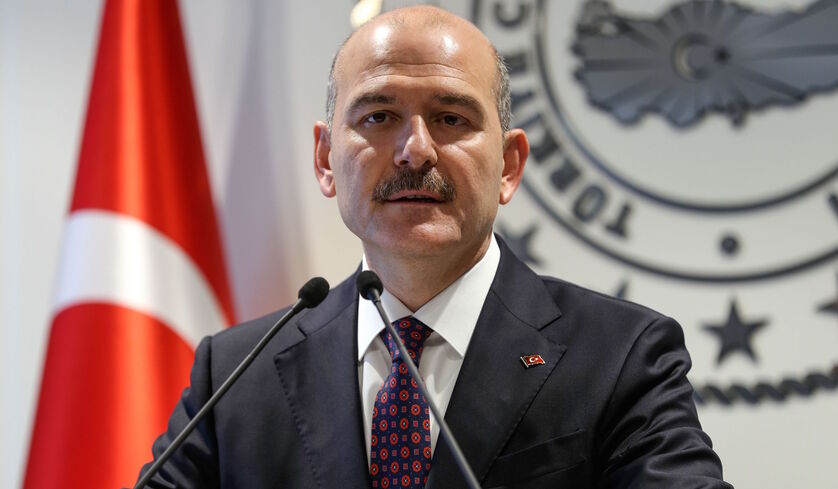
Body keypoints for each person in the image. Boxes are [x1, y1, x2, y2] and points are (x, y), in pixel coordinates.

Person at [139, 6, 731, 488]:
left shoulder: (622, 356)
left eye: (451, 118)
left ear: (509, 164)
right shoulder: (237, 371)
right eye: (377, 116)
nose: (415, 150)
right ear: (325, 160)